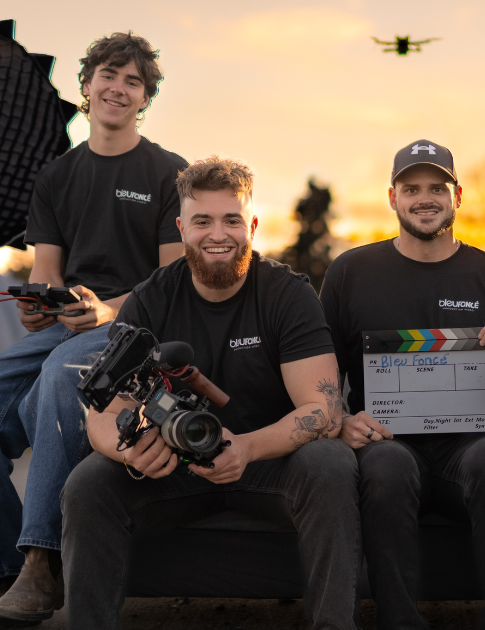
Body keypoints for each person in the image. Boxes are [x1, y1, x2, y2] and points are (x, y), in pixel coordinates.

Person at [0, 32, 186, 629]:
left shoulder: (168, 172)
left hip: (135, 326)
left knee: (59, 373)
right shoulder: (54, 177)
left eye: (133, 82)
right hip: (69, 324)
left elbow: (173, 281)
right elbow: (46, 273)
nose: (118, 89)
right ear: (86, 86)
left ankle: (42, 561)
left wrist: (105, 312)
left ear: (145, 99)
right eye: (109, 75)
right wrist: (37, 307)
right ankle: (1, 580)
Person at [61, 156, 361, 630]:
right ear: (181, 228)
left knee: (330, 462)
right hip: (172, 468)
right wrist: (130, 454)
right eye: (202, 221)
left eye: (231, 220)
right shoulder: (149, 299)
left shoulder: (287, 294)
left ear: (253, 226)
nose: (217, 234)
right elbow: (102, 409)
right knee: (88, 482)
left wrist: (244, 447)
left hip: (267, 464)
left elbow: (323, 409)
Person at [319, 140, 485, 630]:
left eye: (437, 187)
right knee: (386, 466)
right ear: (392, 197)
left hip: (474, 440)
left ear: (457, 196)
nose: (425, 197)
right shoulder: (350, 273)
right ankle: (399, 621)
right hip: (389, 440)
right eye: (411, 188)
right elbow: (322, 375)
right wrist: (341, 421)